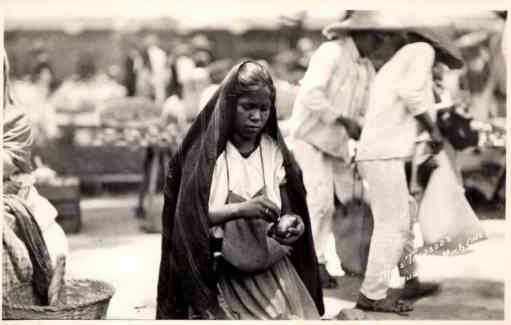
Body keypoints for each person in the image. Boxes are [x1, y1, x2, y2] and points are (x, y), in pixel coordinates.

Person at [156, 61, 324, 319]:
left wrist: (291, 223)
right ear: (228, 105)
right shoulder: (209, 157)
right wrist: (241, 210)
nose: (256, 116)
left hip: (270, 264)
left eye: (264, 109)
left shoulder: (273, 150)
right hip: (223, 269)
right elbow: (190, 223)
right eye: (248, 107)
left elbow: (288, 207)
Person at [348, 17, 465, 312]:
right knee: (394, 225)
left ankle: (410, 278)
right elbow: (411, 94)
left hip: (381, 151)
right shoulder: (422, 51)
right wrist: (433, 130)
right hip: (382, 153)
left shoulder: (404, 56)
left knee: (405, 215)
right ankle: (370, 295)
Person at [283, 11, 379, 288]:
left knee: (355, 198)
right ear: (359, 33)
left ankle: (353, 259)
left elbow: (367, 109)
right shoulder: (331, 52)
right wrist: (343, 120)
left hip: (337, 144)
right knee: (321, 200)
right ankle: (313, 263)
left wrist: (362, 128)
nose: (379, 42)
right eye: (376, 36)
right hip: (310, 137)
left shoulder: (366, 67)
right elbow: (311, 94)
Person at [3, 49, 68, 301]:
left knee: (47, 239)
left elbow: (9, 160)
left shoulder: (14, 117)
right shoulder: (33, 93)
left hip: (12, 190)